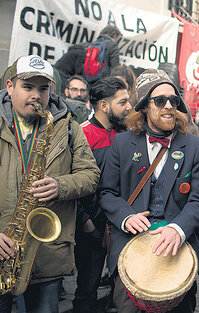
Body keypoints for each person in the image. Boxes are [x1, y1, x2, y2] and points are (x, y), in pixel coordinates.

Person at [99, 69, 199, 312]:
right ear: (144, 106)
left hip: (178, 250)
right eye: (160, 100)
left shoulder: (195, 146)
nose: (169, 106)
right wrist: (126, 217)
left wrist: (178, 229)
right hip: (130, 249)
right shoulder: (121, 144)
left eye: (174, 100)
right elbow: (107, 193)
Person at [0, 55, 100, 313]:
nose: (36, 95)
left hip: (45, 254)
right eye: (28, 87)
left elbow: (90, 174)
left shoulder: (68, 126)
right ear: (10, 86)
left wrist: (61, 185)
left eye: (43, 88)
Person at [73, 77, 131, 313]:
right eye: (123, 102)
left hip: (123, 224)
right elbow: (74, 182)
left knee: (124, 286)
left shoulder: (128, 136)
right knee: (87, 287)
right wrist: (84, 221)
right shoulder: (81, 135)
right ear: (104, 106)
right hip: (92, 227)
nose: (129, 107)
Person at [55, 25, 122, 90]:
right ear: (115, 36)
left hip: (89, 79)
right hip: (103, 80)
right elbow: (115, 67)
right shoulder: (112, 45)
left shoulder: (92, 44)